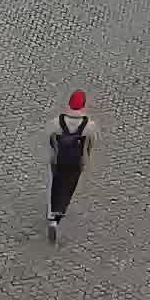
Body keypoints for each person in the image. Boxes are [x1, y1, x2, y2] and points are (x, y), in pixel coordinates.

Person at [45, 89, 96, 243]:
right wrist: (86, 160)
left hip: (59, 160)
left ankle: (51, 213)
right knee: (68, 188)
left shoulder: (56, 122)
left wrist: (53, 156)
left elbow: (50, 140)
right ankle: (58, 215)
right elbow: (90, 145)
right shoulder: (89, 126)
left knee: (56, 185)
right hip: (75, 162)